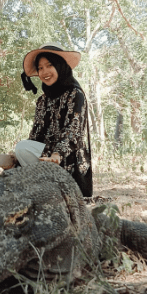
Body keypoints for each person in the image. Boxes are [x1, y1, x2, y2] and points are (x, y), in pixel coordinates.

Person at [16, 43, 93, 197]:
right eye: (40, 68)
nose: (44, 72)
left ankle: (53, 188)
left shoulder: (75, 94)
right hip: (46, 158)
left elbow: (73, 132)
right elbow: (36, 135)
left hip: (68, 159)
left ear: (60, 66)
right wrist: (17, 156)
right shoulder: (42, 101)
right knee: (20, 149)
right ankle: (42, 186)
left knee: (22, 149)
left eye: (49, 65)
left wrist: (57, 155)